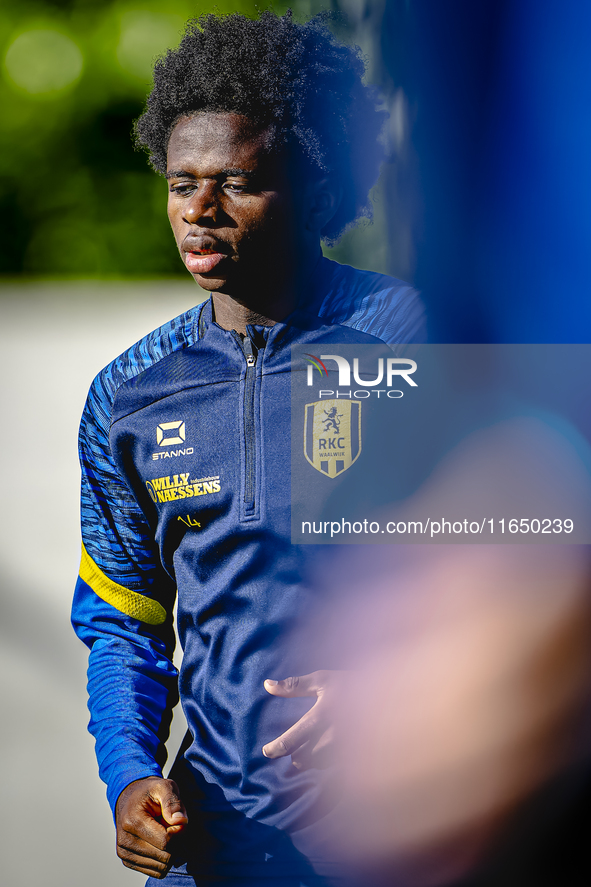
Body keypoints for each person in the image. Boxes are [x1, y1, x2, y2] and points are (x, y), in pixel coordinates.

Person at [71, 10, 424, 886]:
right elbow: (125, 622)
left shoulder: (421, 342)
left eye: (236, 181)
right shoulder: (128, 394)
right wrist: (128, 776)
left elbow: (528, 569)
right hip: (216, 846)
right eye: (180, 182)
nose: (198, 211)